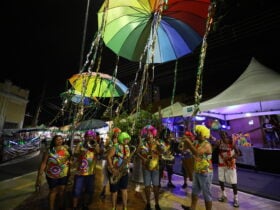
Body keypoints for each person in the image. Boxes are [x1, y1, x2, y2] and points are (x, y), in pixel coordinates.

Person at [35, 134, 71, 210]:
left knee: (62, 190)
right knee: (53, 191)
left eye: (61, 139)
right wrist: (39, 176)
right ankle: (51, 208)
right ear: (54, 141)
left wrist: (70, 165)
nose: (59, 141)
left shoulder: (66, 149)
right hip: (51, 174)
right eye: (57, 139)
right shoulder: (50, 150)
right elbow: (44, 163)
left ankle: (61, 205)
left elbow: (70, 159)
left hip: (63, 174)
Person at [181, 125, 213, 210]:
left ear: (204, 135)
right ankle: (192, 208)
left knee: (207, 195)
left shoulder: (207, 145)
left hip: (205, 172)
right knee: (194, 192)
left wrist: (189, 143)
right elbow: (184, 149)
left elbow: (197, 153)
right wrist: (185, 141)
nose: (196, 135)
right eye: (197, 133)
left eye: (198, 133)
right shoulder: (197, 142)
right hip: (197, 171)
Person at [72, 130, 101, 210]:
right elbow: (75, 154)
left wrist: (95, 145)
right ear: (85, 137)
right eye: (88, 136)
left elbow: (98, 152)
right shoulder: (80, 144)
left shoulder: (95, 144)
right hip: (80, 172)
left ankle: (85, 205)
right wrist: (81, 153)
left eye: (92, 136)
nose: (89, 137)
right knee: (77, 190)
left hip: (91, 172)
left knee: (89, 190)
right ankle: (75, 206)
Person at [137, 125, 164, 210]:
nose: (149, 135)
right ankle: (148, 203)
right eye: (147, 134)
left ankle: (157, 204)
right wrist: (143, 159)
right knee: (147, 186)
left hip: (155, 168)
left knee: (156, 186)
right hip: (146, 168)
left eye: (150, 133)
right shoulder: (143, 143)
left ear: (153, 134)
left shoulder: (157, 142)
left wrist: (159, 145)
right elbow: (137, 153)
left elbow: (162, 151)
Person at [212, 130, 241, 208]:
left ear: (227, 135)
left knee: (233, 182)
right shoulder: (219, 142)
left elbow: (238, 153)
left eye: (224, 135)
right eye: (221, 135)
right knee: (221, 180)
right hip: (221, 164)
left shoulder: (232, 142)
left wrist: (232, 158)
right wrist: (215, 145)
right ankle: (224, 195)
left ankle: (236, 199)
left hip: (230, 164)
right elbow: (212, 150)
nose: (223, 137)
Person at [107, 131, 133, 210]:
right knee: (114, 191)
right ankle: (113, 207)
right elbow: (108, 157)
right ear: (122, 139)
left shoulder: (127, 147)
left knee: (124, 189)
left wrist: (128, 160)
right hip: (115, 171)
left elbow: (128, 158)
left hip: (124, 171)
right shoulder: (116, 146)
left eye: (128, 139)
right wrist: (112, 168)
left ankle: (125, 207)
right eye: (125, 139)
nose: (127, 141)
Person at [100, 127, 121, 199]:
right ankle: (103, 190)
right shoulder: (109, 141)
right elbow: (105, 151)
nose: (117, 134)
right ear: (114, 133)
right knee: (106, 177)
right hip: (108, 161)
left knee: (117, 177)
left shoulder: (120, 141)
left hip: (117, 163)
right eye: (116, 132)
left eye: (118, 133)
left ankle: (118, 193)